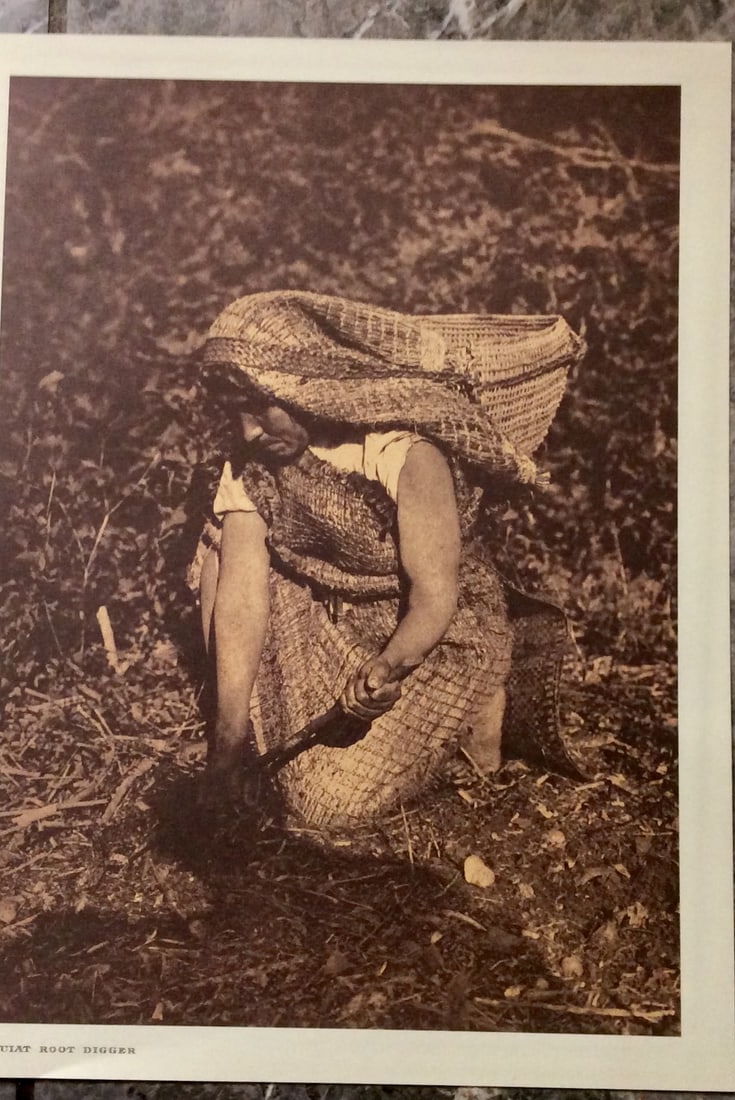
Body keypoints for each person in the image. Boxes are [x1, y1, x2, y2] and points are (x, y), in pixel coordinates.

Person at [190, 291, 585, 828]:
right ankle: (237, 733)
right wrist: (227, 746)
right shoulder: (253, 464)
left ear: (304, 392)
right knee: (219, 545)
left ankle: (479, 705)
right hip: (333, 616)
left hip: (431, 633)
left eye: (262, 407)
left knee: (329, 805)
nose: (248, 430)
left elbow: (434, 594)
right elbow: (240, 598)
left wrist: (388, 667)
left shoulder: (400, 450)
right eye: (236, 413)